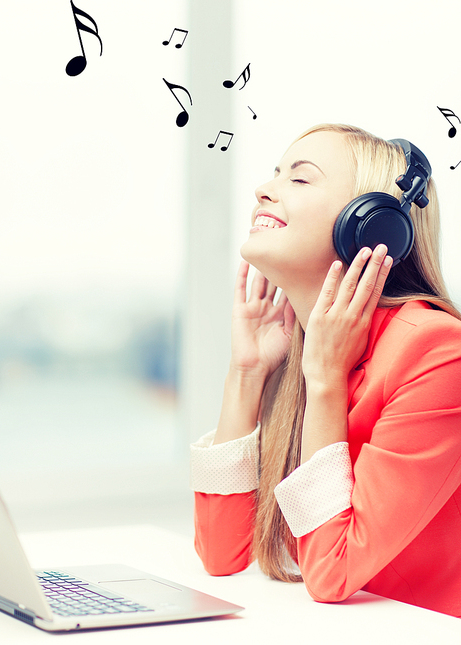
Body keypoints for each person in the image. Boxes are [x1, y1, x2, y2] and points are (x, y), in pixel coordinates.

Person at [190, 123, 461, 618]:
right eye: (275, 173)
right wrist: (246, 372)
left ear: (369, 226)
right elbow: (220, 552)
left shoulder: (437, 351)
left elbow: (332, 573)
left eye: (300, 179)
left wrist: (326, 382)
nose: (263, 189)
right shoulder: (307, 347)